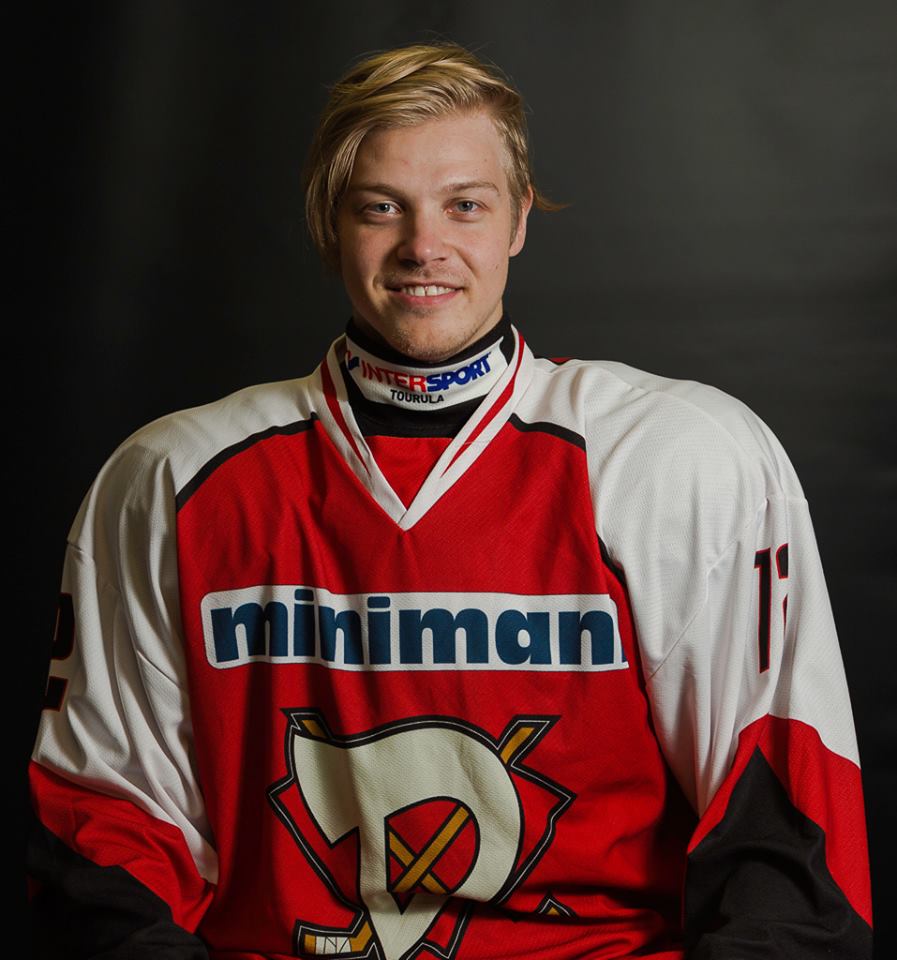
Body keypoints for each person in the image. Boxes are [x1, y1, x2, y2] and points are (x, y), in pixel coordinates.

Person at [28, 42, 872, 959]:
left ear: (517, 220)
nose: (422, 246)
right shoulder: (171, 478)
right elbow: (102, 834)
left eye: (464, 205)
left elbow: (787, 847)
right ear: (328, 223)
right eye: (379, 207)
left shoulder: (675, 458)